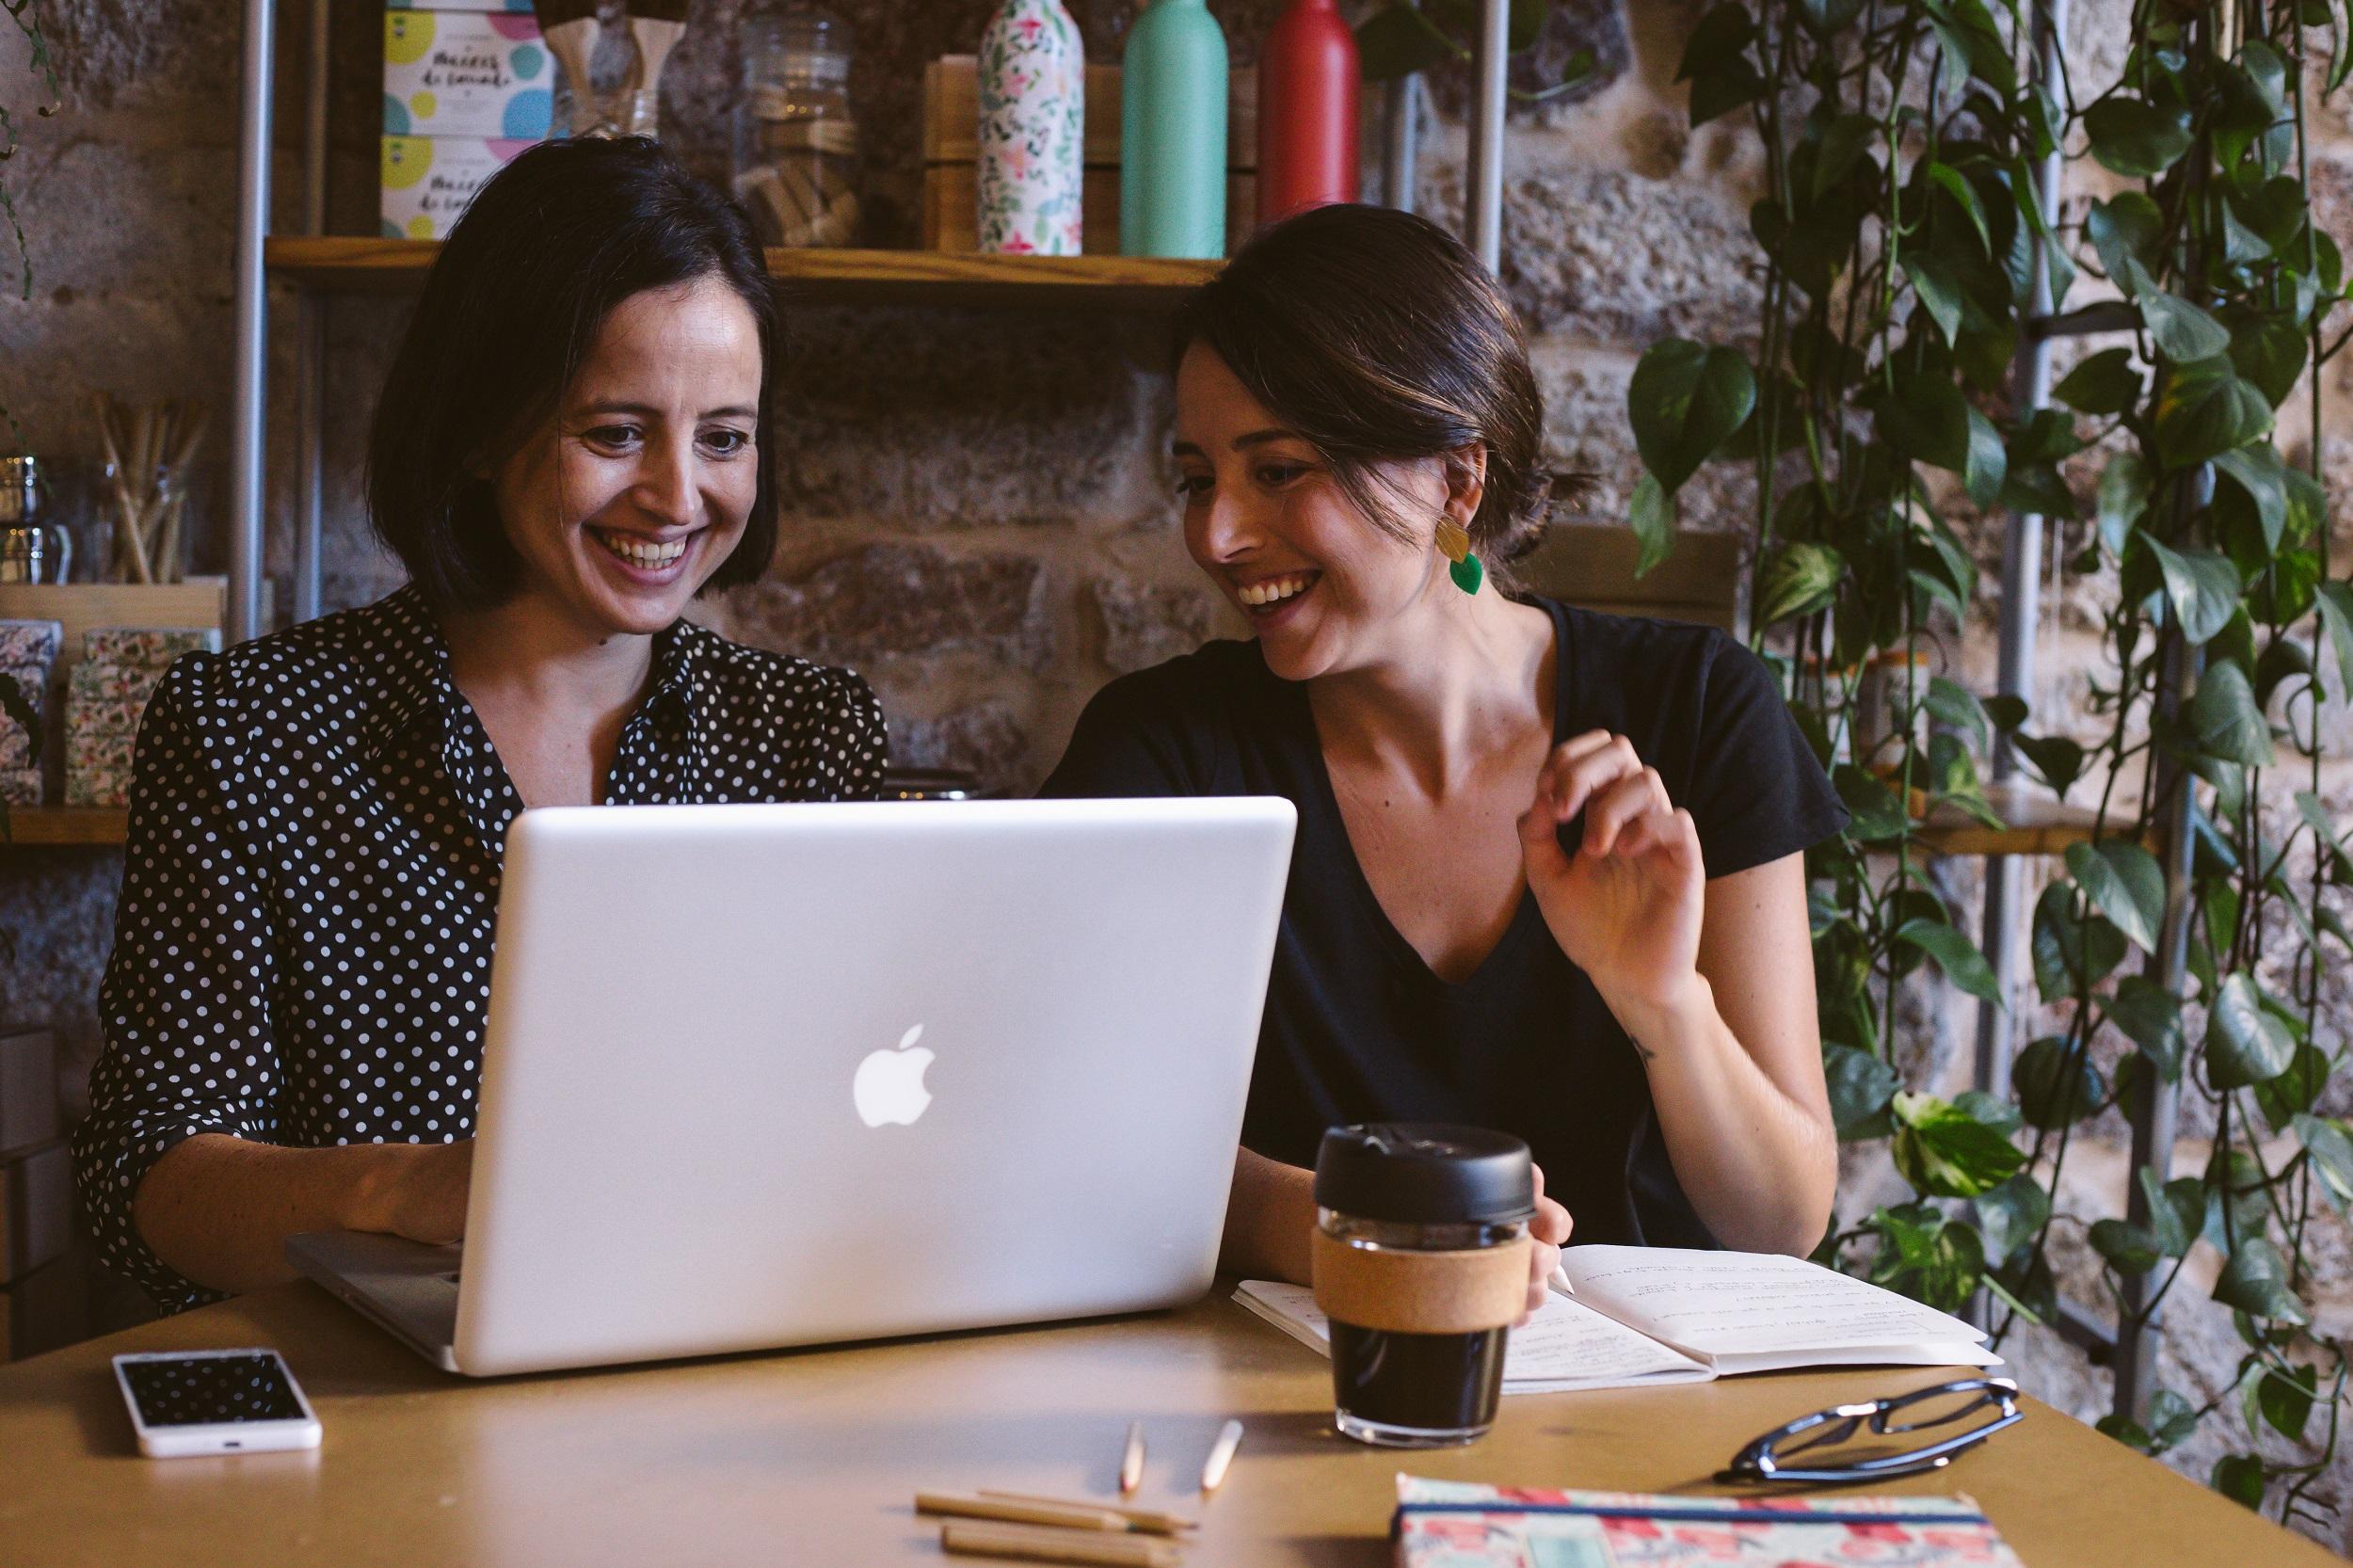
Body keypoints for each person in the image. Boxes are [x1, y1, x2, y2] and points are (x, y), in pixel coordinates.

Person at [72, 138, 886, 1313]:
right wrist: (403, 1189)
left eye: (723, 436)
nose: (677, 496)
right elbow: (144, 1180)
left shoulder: (806, 736)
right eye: (613, 431)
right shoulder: (248, 730)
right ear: (475, 428)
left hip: (726, 1363)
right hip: (360, 1395)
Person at [1041, 204, 1846, 1312]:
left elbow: (1780, 1222)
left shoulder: (1700, 710)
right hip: (1288, 1390)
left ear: (1457, 484)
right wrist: (1348, 1228)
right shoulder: (1162, 752)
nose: (1216, 535)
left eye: (1279, 471)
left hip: (1641, 1398)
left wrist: (1662, 1001)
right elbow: (1065, 1140)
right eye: (1197, 479)